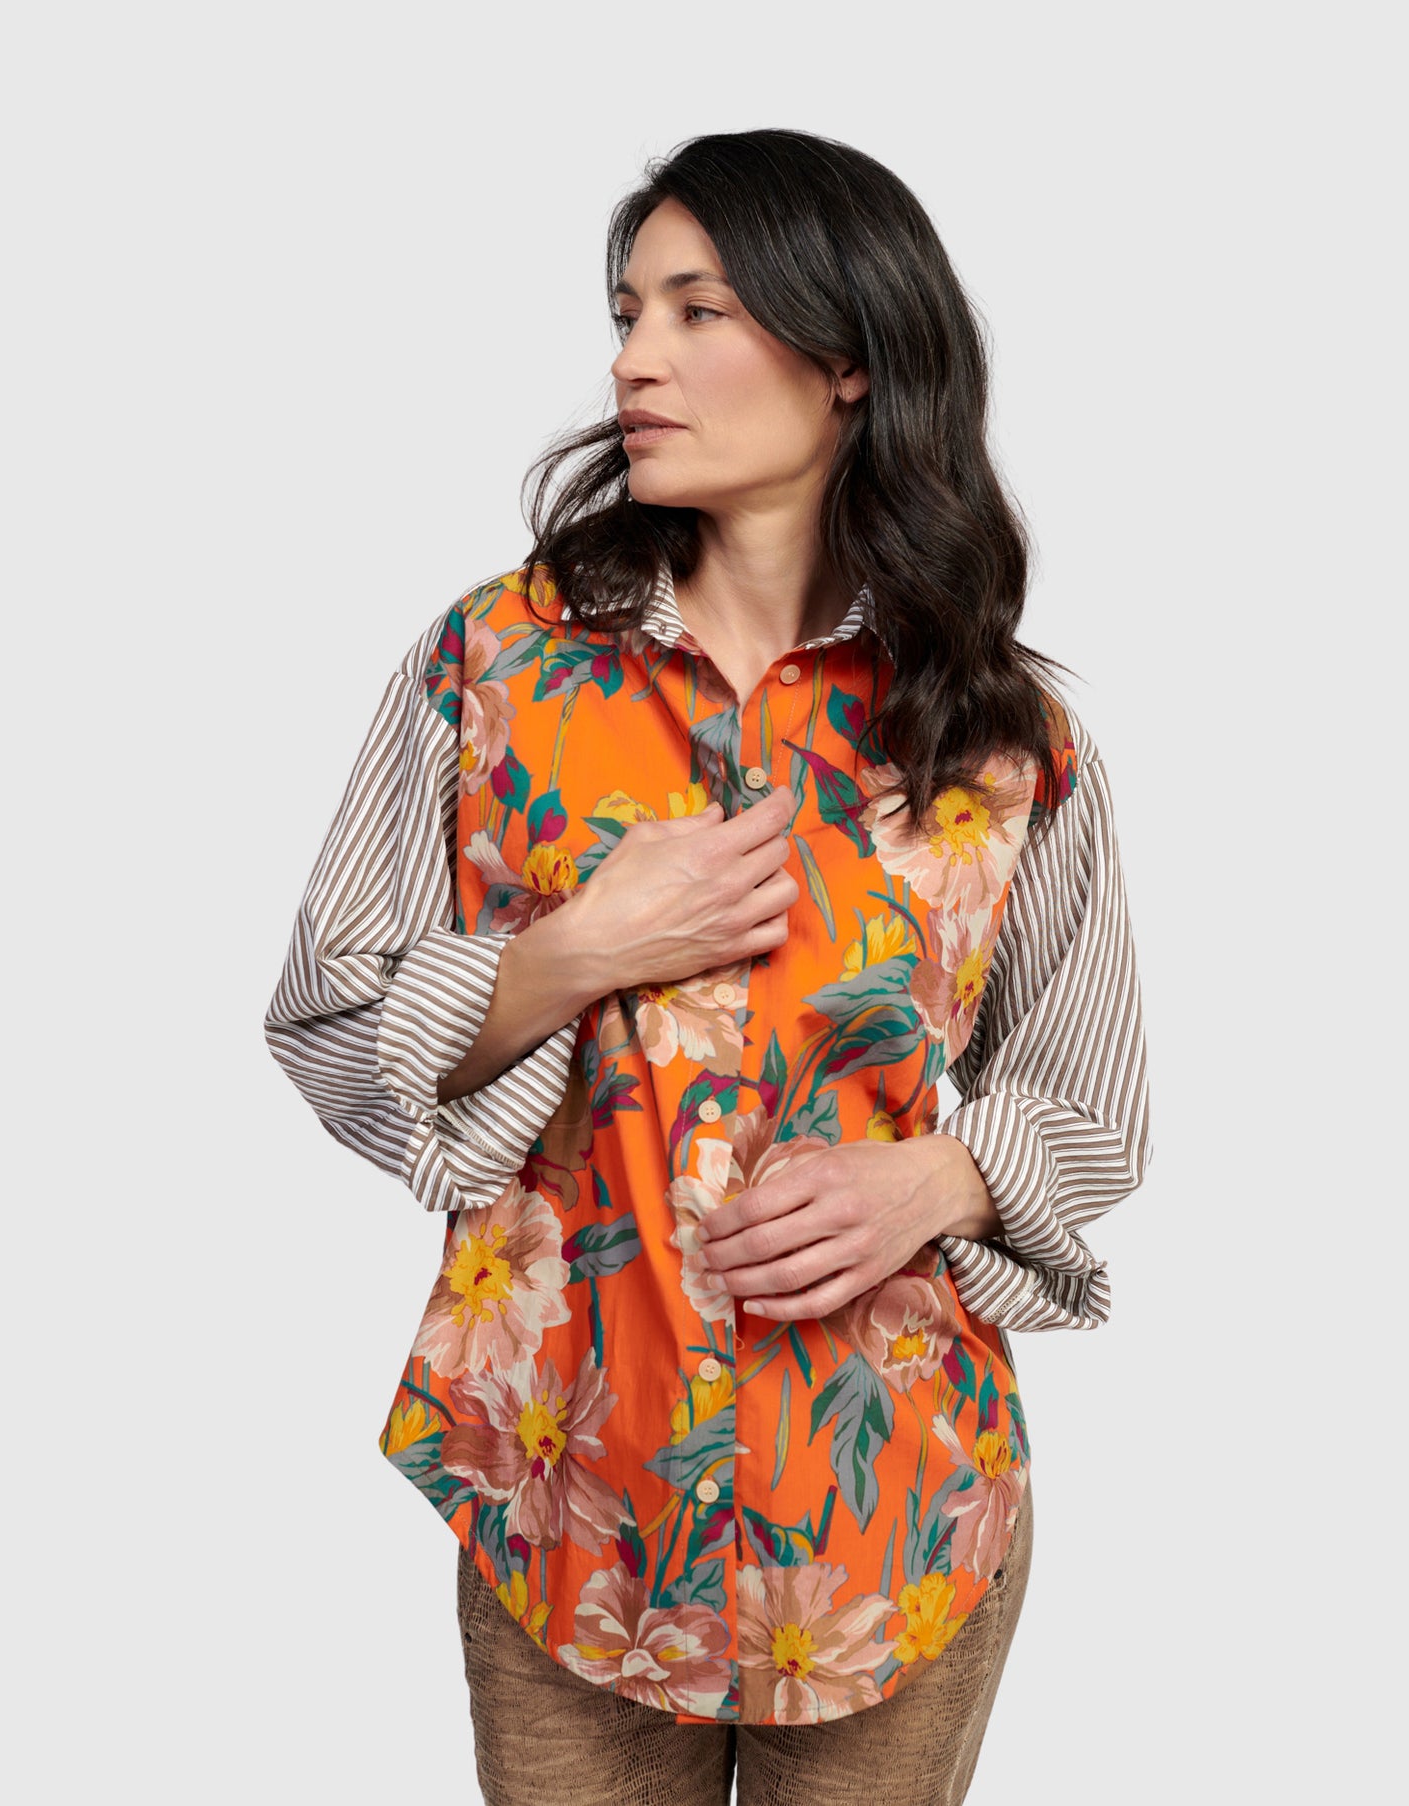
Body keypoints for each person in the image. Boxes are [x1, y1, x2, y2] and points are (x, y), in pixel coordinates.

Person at [263, 127, 1153, 1805]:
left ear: (847, 360)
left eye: (694, 309)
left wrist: (938, 1177)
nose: (631, 359)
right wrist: (577, 949)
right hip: (568, 1494)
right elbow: (330, 1016)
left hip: (890, 1515)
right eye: (625, 313)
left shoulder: (997, 731)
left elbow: (1089, 1101)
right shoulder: (496, 664)